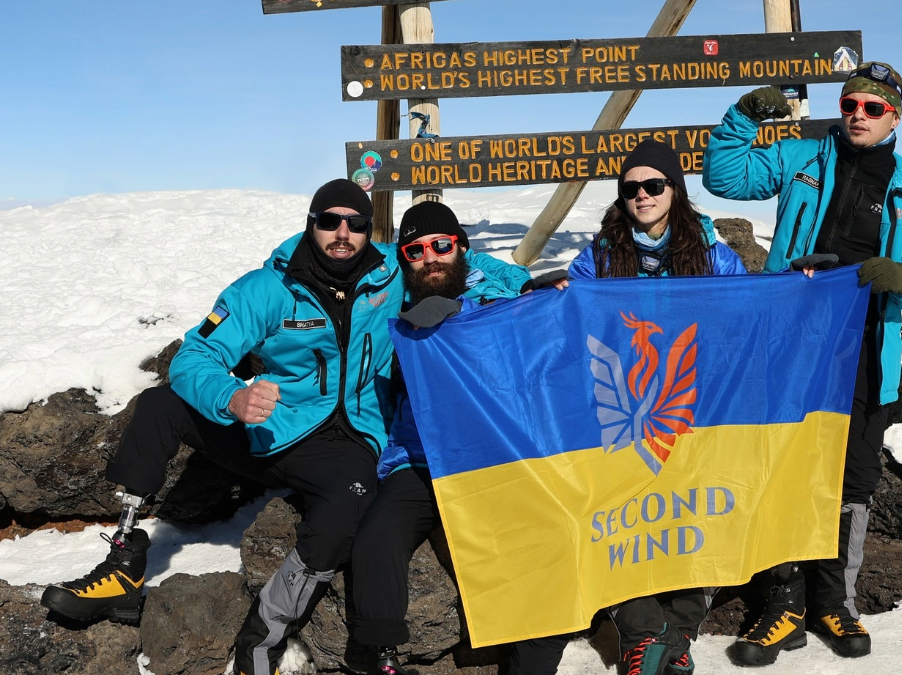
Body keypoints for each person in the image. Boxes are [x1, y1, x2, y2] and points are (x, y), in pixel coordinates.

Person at [40, 179, 406, 675]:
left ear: (368, 230)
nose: (342, 232)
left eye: (356, 223)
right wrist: (232, 397)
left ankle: (263, 634)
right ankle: (123, 566)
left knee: (348, 505)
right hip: (273, 429)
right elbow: (195, 357)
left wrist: (535, 284)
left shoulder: (391, 274)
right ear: (310, 224)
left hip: (348, 441)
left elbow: (460, 266)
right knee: (160, 404)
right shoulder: (266, 289)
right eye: (329, 221)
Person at [703, 63, 902, 665]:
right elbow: (725, 176)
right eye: (851, 103)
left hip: (865, 343)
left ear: (895, 116)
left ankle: (834, 601)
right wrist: (743, 118)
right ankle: (782, 606)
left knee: (854, 475)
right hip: (790, 337)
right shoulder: (801, 159)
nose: (858, 115)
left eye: (873, 108)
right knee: (783, 465)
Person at [345, 200, 544, 675]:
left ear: (462, 248)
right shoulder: (390, 309)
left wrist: (536, 296)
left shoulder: (499, 298)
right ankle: (380, 656)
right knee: (376, 537)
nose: (430, 257)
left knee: (532, 548)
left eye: (441, 245)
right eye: (415, 250)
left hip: (493, 458)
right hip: (418, 458)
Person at [570, 139, 745, 675]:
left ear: (676, 189)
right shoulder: (599, 255)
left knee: (700, 514)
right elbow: (570, 317)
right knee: (617, 519)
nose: (642, 196)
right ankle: (646, 633)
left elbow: (745, 316)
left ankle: (681, 632)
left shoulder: (713, 254)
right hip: (621, 411)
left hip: (699, 411)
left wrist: (803, 288)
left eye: (653, 185)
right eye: (631, 188)